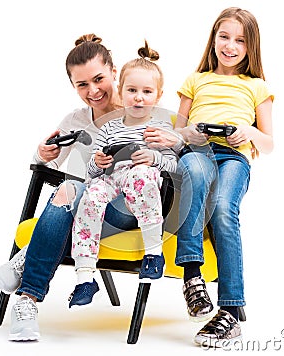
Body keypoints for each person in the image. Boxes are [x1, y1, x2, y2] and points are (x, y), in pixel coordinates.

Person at [0, 34, 182, 341]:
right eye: (82, 84)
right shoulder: (76, 121)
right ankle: (27, 302)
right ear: (73, 86)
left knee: (76, 189)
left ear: (115, 74)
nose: (93, 91)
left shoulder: (146, 109)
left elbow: (175, 161)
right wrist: (42, 154)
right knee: (72, 189)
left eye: (99, 79)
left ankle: (29, 260)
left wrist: (170, 149)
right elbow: (47, 167)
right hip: (89, 204)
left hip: (130, 209)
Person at [173, 7, 274, 345]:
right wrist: (192, 134)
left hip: (234, 158)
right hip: (198, 152)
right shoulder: (195, 80)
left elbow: (269, 143)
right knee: (195, 182)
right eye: (224, 37)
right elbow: (177, 132)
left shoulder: (257, 86)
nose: (230, 46)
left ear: (250, 47)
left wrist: (247, 131)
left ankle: (230, 311)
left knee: (222, 210)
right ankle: (192, 277)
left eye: (240, 41)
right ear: (213, 39)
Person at [68, 41, 178, 308]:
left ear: (158, 95)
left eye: (146, 91)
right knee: (90, 195)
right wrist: (98, 161)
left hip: (141, 184)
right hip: (112, 179)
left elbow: (174, 165)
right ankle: (85, 275)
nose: (138, 97)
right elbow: (92, 173)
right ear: (121, 91)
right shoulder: (109, 127)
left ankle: (153, 253)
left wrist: (154, 157)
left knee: (141, 174)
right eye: (131, 90)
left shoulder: (160, 126)